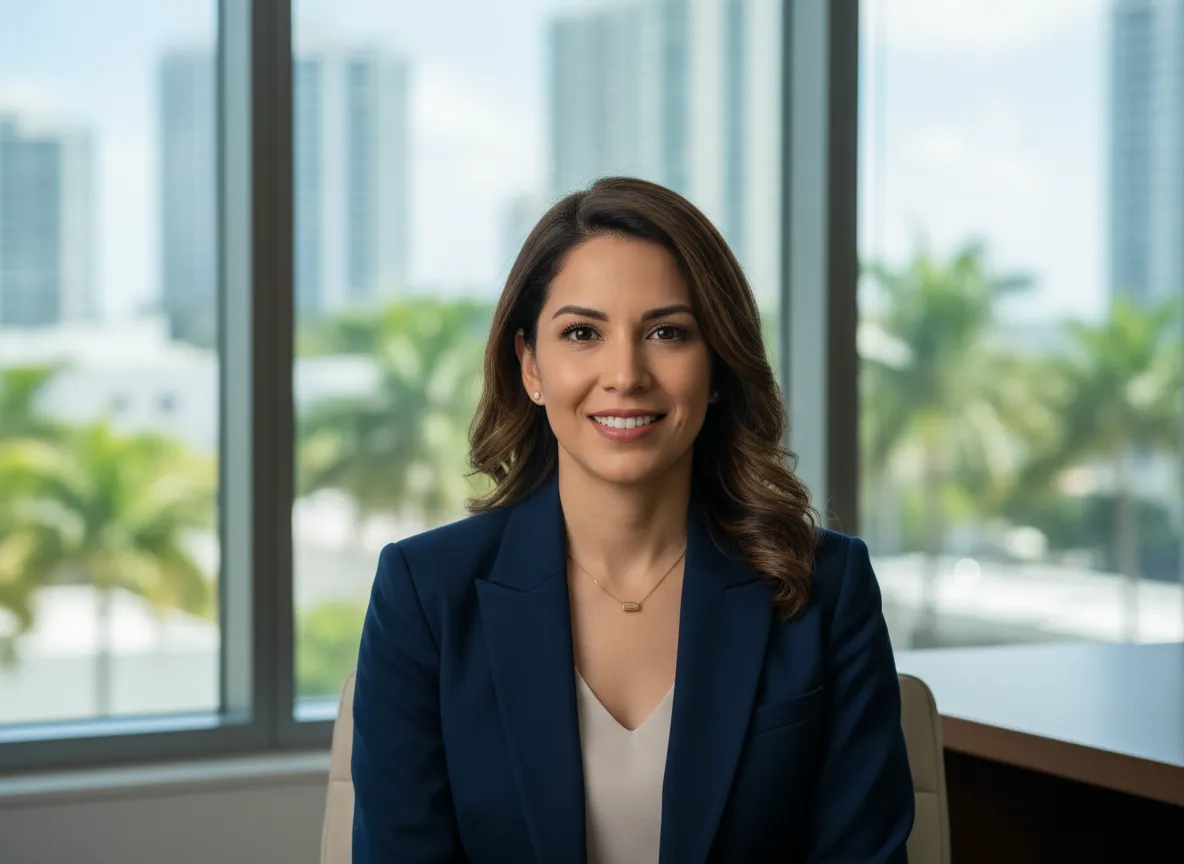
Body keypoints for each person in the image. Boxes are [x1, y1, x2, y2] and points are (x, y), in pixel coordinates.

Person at [351, 177, 915, 863]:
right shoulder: (425, 593)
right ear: (530, 365)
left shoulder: (826, 587)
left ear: (715, 369)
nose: (625, 373)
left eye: (667, 332)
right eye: (582, 333)